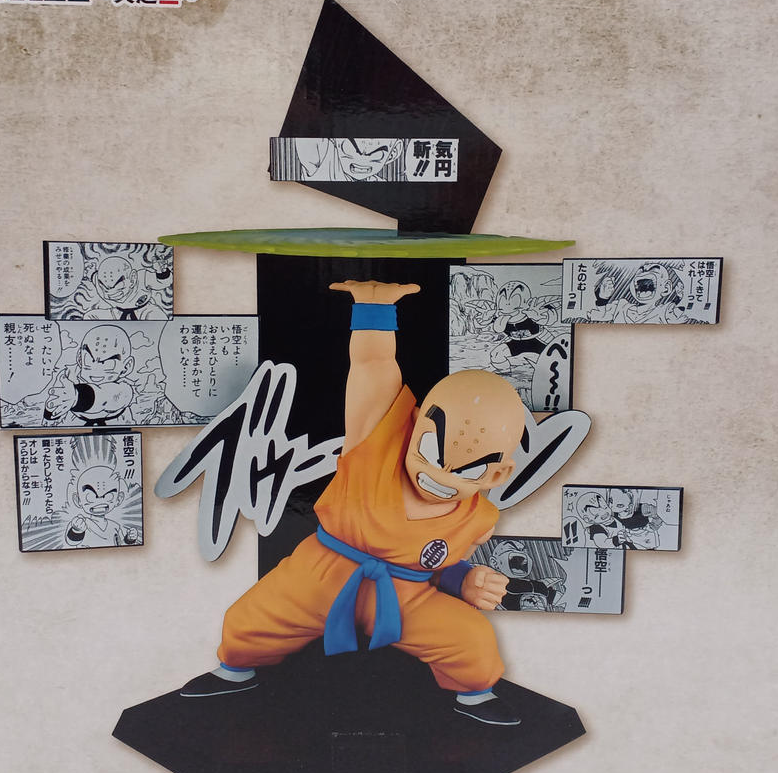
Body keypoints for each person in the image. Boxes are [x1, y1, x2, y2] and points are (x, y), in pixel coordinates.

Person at [179, 280, 528, 725]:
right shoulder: (376, 442)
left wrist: (466, 581)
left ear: (497, 474)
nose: (437, 476)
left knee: (472, 639)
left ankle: (476, 697)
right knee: (246, 620)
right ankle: (234, 672)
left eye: (467, 471)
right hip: (321, 573)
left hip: (404, 596)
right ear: (415, 424)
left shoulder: (478, 518)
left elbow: (439, 565)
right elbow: (373, 365)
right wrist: (373, 308)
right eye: (430, 452)